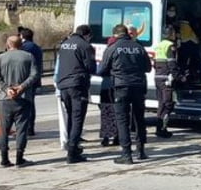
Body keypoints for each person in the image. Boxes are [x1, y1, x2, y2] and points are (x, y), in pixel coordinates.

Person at [98, 24, 152, 164]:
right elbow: (148, 68)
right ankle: (141, 151)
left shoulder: (113, 48)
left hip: (121, 86)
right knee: (139, 119)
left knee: (122, 120)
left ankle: (126, 154)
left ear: (115, 34)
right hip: (139, 86)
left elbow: (102, 70)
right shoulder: (139, 47)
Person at [0, 35, 39, 167]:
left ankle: (4, 158)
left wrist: (7, 89)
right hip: (24, 98)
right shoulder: (29, 56)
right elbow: (34, 75)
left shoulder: (1, 57)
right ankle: (19, 158)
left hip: (5, 99)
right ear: (21, 44)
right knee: (22, 129)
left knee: (3, 130)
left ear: (8, 44)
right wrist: (22, 87)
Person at [56, 24, 96, 164]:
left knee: (71, 116)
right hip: (78, 84)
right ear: (87, 34)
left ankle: (71, 146)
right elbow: (91, 67)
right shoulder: (85, 46)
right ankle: (72, 152)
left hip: (64, 84)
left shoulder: (65, 44)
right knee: (78, 117)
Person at [154, 25, 180, 138]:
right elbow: (172, 63)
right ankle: (162, 129)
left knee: (161, 104)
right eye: (174, 33)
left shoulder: (159, 45)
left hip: (158, 77)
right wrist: (179, 76)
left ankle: (158, 128)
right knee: (168, 104)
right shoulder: (170, 46)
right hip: (167, 79)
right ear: (170, 34)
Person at [18, 27, 43, 136]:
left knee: (24, 104)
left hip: (25, 79)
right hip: (34, 79)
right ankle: (30, 127)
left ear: (22, 36)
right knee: (31, 104)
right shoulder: (36, 47)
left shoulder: (24, 47)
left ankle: (26, 128)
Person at [100, 35, 119, 146]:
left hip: (106, 85)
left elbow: (101, 69)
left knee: (106, 111)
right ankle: (117, 136)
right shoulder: (120, 52)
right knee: (117, 111)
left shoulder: (107, 52)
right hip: (117, 85)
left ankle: (106, 137)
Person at [178, 20, 201, 85]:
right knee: (193, 62)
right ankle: (193, 77)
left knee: (183, 63)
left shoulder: (180, 25)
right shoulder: (190, 26)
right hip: (191, 44)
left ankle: (184, 78)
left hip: (184, 45)